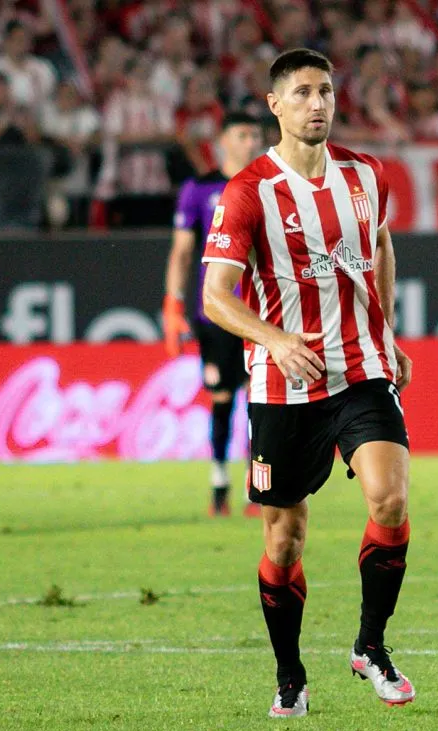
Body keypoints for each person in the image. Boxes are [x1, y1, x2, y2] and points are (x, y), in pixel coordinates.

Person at [201, 47, 414, 719]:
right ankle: (290, 674)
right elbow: (214, 296)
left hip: (359, 370)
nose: (317, 103)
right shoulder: (247, 190)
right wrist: (275, 338)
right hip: (281, 382)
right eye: (301, 93)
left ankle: (370, 646)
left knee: (389, 498)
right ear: (275, 106)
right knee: (284, 537)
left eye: (325, 90)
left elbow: (380, 250)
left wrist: (389, 335)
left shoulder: (367, 173)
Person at [163, 111, 264, 518]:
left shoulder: (270, 184)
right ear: (223, 140)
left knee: (262, 401)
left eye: (256, 134)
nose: (251, 142)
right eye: (243, 134)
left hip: (262, 312)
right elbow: (183, 252)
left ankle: (259, 487)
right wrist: (173, 303)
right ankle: (219, 483)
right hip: (219, 312)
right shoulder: (199, 189)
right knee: (223, 397)